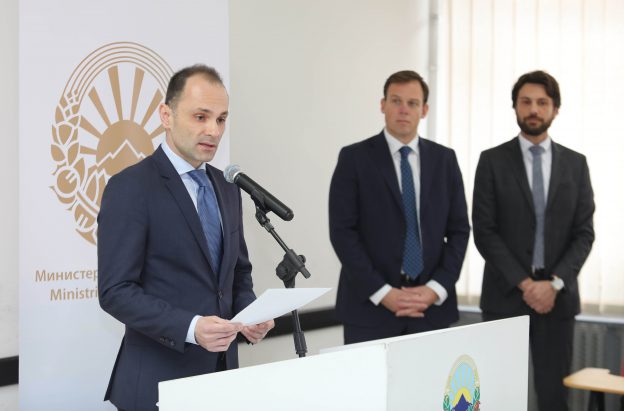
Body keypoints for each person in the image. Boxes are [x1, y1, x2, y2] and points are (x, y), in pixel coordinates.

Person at [98, 64, 274, 411]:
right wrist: (191, 327)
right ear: (166, 115)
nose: (213, 130)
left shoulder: (227, 187)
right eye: (200, 117)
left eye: (221, 119)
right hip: (157, 384)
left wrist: (250, 313)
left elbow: (237, 274)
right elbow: (115, 291)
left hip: (222, 380)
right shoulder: (131, 187)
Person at [473, 70, 595, 411]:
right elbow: (484, 230)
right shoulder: (492, 161)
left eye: (542, 102)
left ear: (555, 109)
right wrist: (526, 284)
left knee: (554, 398)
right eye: (526, 101)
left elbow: (584, 233)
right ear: (515, 107)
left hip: (557, 301)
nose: (534, 109)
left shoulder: (576, 165)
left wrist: (552, 285)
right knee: (498, 396)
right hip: (504, 298)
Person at [329, 70, 470, 344]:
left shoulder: (445, 160)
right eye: (396, 101)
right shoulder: (354, 158)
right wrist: (383, 292)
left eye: (412, 103)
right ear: (383, 105)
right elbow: (343, 232)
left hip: (431, 310)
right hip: (369, 310)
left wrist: (435, 288)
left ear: (424, 110)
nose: (403, 109)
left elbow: (459, 231)